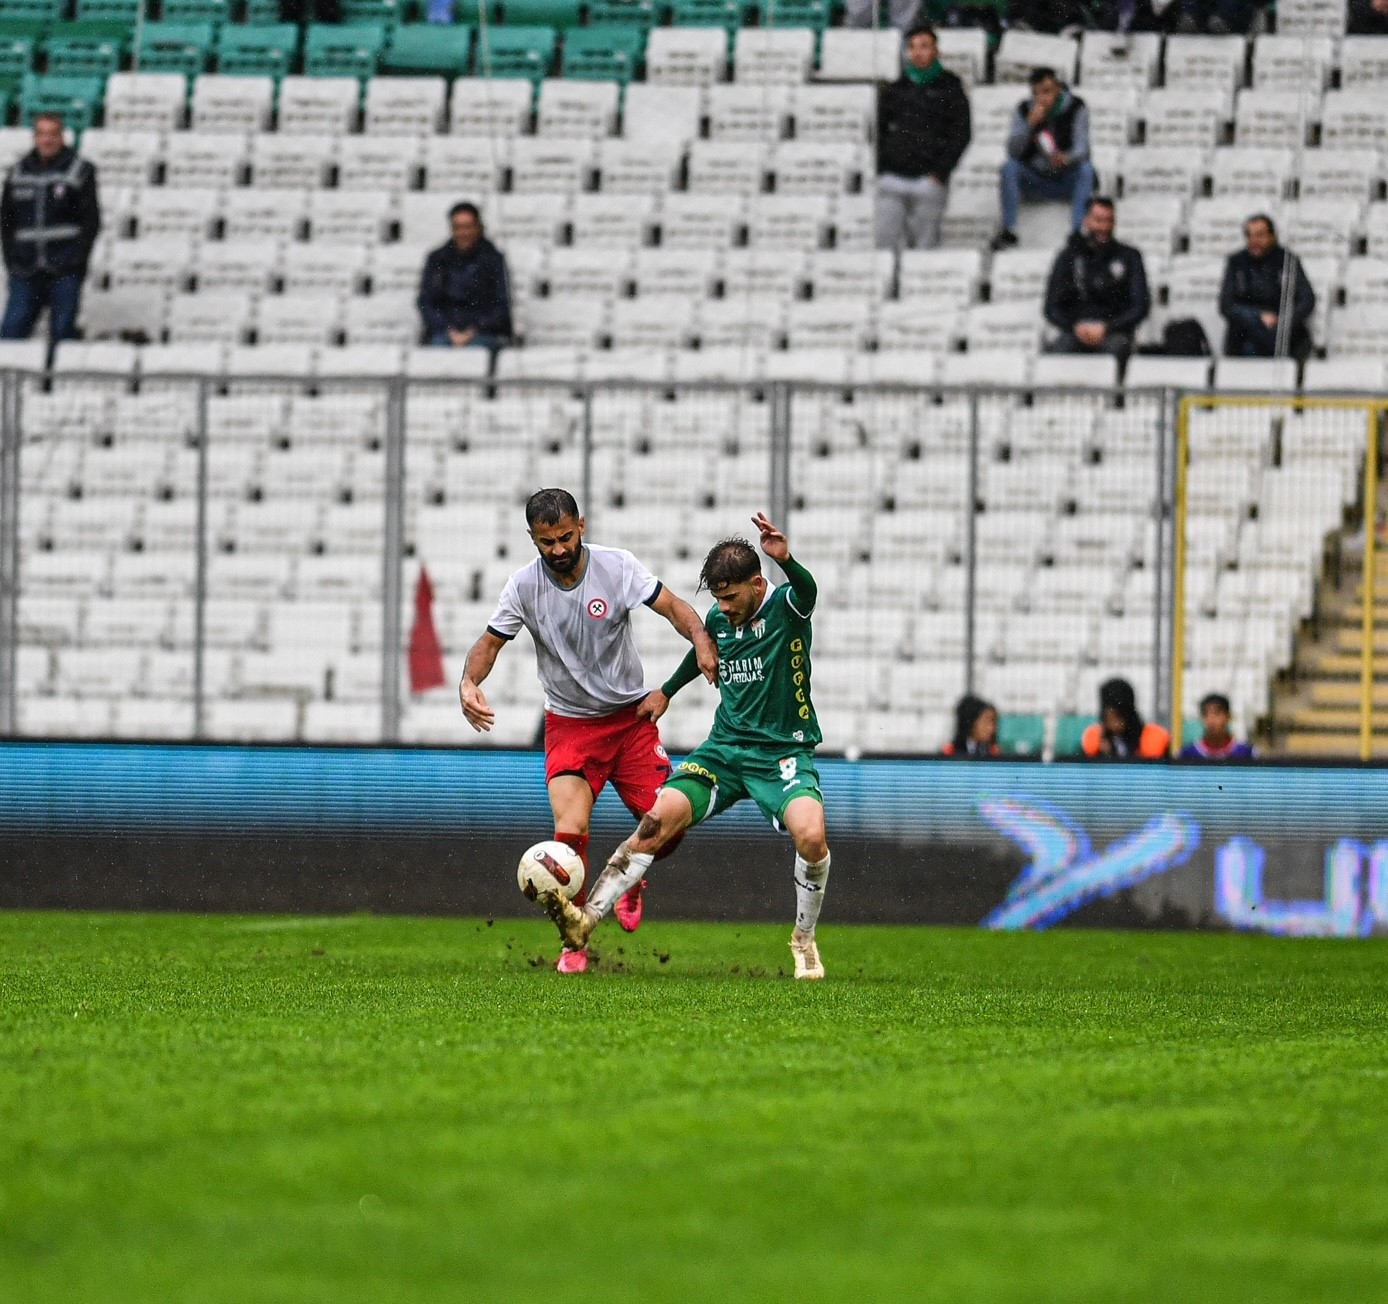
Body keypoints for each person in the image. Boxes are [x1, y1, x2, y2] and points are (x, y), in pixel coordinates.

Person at [540, 515, 833, 981]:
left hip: (783, 754)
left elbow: (809, 592)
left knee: (812, 837)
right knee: (654, 823)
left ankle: (803, 939)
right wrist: (667, 691)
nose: (724, 608)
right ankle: (585, 922)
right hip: (724, 751)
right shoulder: (720, 617)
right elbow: (703, 651)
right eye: (717, 599)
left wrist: (788, 561)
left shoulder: (786, 608)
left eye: (732, 597)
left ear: (757, 585)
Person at [459, 488, 718, 974]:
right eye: (545, 541)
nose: (557, 549)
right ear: (532, 539)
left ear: (581, 525)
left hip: (630, 720)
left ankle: (629, 877)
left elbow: (674, 606)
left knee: (667, 827)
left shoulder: (616, 568)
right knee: (569, 834)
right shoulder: (523, 587)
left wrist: (702, 637)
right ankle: (573, 943)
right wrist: (469, 681)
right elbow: (490, 643)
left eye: (563, 537)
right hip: (570, 725)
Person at [0, 113, 101, 351]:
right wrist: (12, 260)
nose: (47, 140)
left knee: (63, 333)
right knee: (12, 329)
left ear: (62, 136)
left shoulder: (80, 171)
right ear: (35, 137)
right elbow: (6, 222)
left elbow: (90, 221)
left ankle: (56, 386)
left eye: (53, 134)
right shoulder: (17, 173)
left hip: (65, 268)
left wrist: (78, 261)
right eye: (42, 134)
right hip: (26, 269)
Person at [875, 26, 972, 253]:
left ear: (936, 50)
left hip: (929, 181)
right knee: (883, 244)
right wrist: (881, 167)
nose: (918, 52)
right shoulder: (896, 89)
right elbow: (878, 130)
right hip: (892, 178)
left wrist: (941, 172)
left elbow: (962, 133)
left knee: (924, 248)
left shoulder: (951, 88)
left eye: (924, 46)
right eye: (913, 47)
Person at [992, 68, 1095, 251]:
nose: (1042, 98)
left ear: (1058, 88)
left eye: (1047, 91)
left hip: (1066, 176)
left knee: (1086, 169)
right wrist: (1028, 125)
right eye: (1037, 93)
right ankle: (1010, 229)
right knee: (1009, 168)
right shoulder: (1024, 110)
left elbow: (1083, 148)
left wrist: (1067, 158)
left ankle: (1078, 231)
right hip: (1035, 178)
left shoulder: (1076, 107)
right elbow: (1013, 151)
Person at [1042, 197, 1150, 360]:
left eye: (1109, 221)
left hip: (1115, 332)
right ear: (1086, 220)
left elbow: (1140, 307)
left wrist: (1107, 327)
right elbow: (1051, 307)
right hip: (1075, 331)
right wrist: (1075, 327)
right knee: (1059, 351)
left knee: (1116, 348)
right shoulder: (1068, 256)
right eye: (1099, 220)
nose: (1104, 227)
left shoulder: (1130, 256)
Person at [1218, 214, 1315, 361]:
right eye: (1250, 236)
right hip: (1247, 332)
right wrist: (1258, 317)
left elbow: (1307, 300)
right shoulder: (1236, 262)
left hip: (1282, 330)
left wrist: (1281, 320)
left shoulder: (1288, 260)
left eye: (1259, 235)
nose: (1254, 241)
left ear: (1272, 236)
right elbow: (1226, 305)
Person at [417, 201, 512, 350]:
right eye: (458, 227)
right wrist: (449, 330)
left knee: (478, 350)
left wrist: (473, 331)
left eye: (468, 227)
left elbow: (501, 307)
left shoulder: (494, 260)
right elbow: (426, 302)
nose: (463, 233)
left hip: (483, 333)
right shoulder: (437, 259)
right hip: (444, 333)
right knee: (437, 348)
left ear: (478, 228)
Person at [1081, 677, 1170, 760]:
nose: (1113, 724)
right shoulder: (1097, 740)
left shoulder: (1152, 739)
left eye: (1117, 717)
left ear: (1127, 715)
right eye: (1108, 718)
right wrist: (1103, 755)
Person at [1180, 693, 1255, 760]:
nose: (1211, 720)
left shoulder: (1246, 753)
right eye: (1206, 714)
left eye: (1217, 714)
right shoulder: (1188, 753)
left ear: (1228, 716)